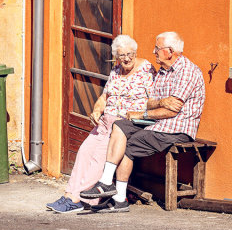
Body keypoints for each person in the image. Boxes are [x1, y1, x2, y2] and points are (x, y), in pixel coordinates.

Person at [80, 31, 206, 213]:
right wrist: (160, 102)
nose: (154, 51)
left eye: (157, 48)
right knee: (120, 126)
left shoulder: (187, 72)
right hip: (159, 123)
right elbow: (151, 101)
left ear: (169, 51)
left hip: (176, 127)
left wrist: (143, 115)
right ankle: (107, 182)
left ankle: (119, 199)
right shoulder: (163, 71)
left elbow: (172, 111)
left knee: (129, 144)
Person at [46, 34, 154, 213]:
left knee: (99, 159)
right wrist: (97, 110)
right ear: (116, 57)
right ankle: (69, 194)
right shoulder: (116, 70)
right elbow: (105, 96)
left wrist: (137, 116)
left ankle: (80, 199)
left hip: (123, 125)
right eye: (121, 55)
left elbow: (153, 101)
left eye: (130, 54)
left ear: (135, 53)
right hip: (105, 123)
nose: (126, 59)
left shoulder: (147, 70)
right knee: (84, 152)